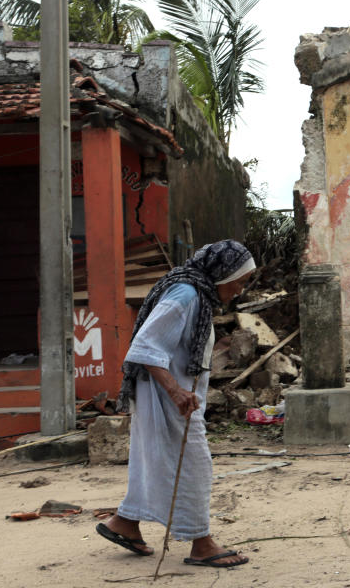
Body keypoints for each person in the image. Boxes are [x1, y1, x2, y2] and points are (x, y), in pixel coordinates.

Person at [96, 240, 255, 568]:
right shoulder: (186, 294)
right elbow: (144, 345)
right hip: (168, 394)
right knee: (195, 465)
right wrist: (176, 392)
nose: (241, 289)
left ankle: (125, 523)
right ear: (221, 274)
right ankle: (202, 543)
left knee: (152, 459)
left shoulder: (196, 292)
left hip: (165, 392)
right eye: (240, 280)